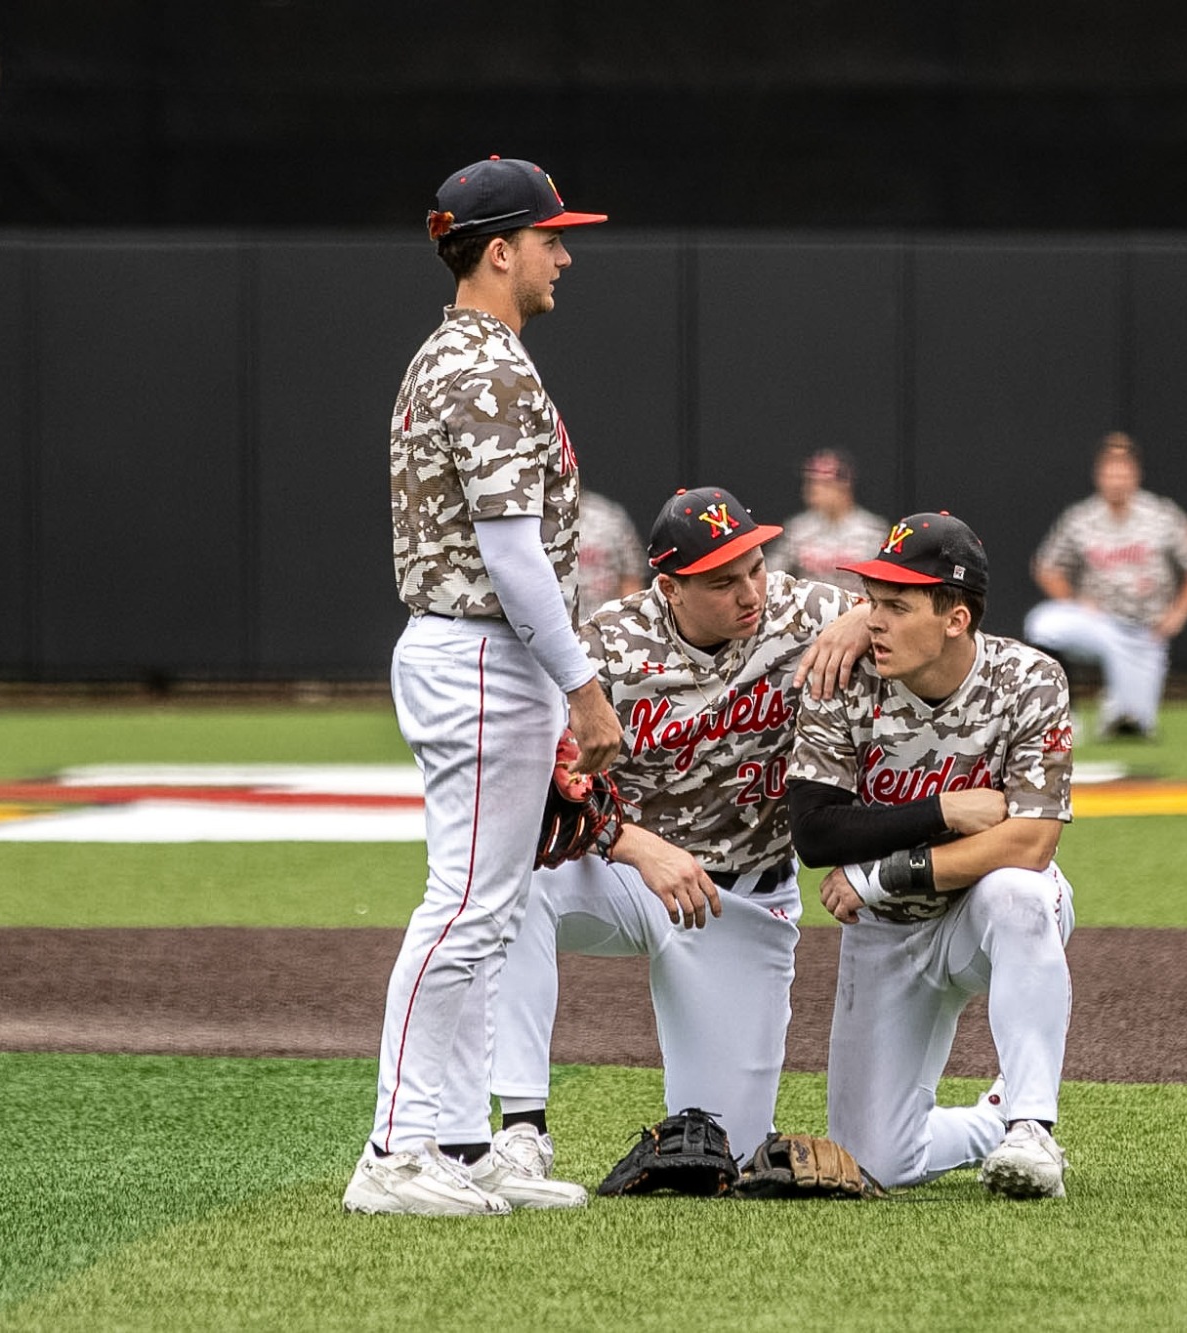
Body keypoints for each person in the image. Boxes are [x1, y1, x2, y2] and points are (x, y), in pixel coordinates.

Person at [433, 486, 870, 1197]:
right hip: (633, 878)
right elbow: (539, 781)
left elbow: (916, 619)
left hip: (746, 901)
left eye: (755, 567)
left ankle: (999, 1118)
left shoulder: (805, 610)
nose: (749, 591)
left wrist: (864, 619)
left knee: (722, 1150)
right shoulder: (610, 642)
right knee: (517, 875)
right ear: (670, 586)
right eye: (722, 581)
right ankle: (521, 1128)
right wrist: (633, 843)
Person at [343, 155, 624, 1217]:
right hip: (476, 647)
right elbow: (511, 558)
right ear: (497, 249)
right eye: (550, 235)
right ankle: (394, 1149)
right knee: (464, 906)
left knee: (491, 911)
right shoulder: (487, 367)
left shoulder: (471, 355)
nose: (565, 252)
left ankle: (455, 1145)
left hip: (477, 649)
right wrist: (583, 688)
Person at [787, 512, 1078, 1198]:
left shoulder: (1028, 678)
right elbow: (816, 836)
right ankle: (995, 1120)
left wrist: (889, 872)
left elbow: (1032, 841)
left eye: (894, 605)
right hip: (888, 930)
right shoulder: (846, 677)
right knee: (874, 1162)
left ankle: (1033, 1127)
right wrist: (945, 811)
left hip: (974, 906)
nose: (873, 620)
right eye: (869, 603)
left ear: (955, 618)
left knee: (1021, 893)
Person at [1023, 432, 1187, 738]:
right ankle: (1065, 711)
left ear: (1135, 474)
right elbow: (1046, 566)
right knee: (1043, 623)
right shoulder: (1081, 517)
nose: (1116, 478)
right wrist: (1073, 599)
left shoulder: (1161, 515)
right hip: (1100, 623)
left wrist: (1178, 613)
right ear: (1098, 475)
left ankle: (1118, 704)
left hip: (1146, 633)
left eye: (1123, 470)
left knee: (1134, 726)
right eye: (1109, 470)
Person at [765, 449, 889, 595]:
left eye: (823, 483)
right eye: (810, 482)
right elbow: (771, 576)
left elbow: (887, 582)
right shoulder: (798, 529)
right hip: (811, 613)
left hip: (860, 611)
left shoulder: (873, 529)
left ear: (844, 485)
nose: (812, 489)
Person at [575, 488, 648, 614]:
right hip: (551, 627)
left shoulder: (608, 516)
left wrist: (628, 620)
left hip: (603, 624)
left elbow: (631, 579)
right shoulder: (534, 521)